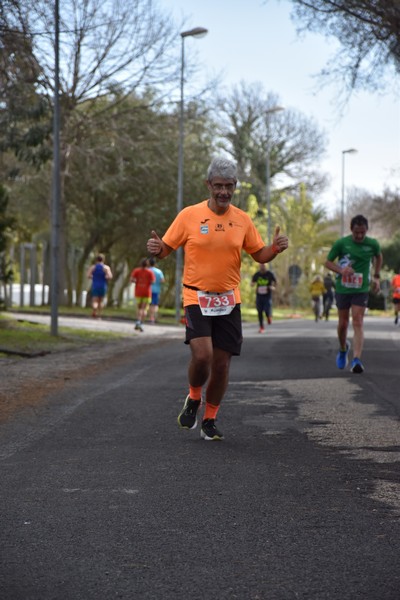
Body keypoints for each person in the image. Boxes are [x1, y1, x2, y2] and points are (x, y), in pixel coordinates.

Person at [146, 156, 289, 440]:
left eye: (229, 186)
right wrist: (156, 247)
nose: (223, 192)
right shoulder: (189, 215)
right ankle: (194, 397)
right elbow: (165, 249)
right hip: (196, 298)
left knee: (222, 365)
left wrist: (273, 249)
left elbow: (258, 253)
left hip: (228, 300)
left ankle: (210, 420)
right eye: (218, 186)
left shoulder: (242, 220)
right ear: (208, 185)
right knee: (203, 356)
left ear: (235, 186)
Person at [325, 214, 382, 374]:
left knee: (358, 321)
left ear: (366, 230)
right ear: (351, 230)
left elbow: (379, 256)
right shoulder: (342, 243)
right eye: (356, 232)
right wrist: (341, 270)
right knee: (343, 323)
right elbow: (328, 262)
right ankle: (343, 349)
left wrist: (376, 277)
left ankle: (357, 359)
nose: (359, 236)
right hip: (343, 289)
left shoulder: (372, 244)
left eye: (362, 233)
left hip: (361, 289)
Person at [130, 258, 155, 332]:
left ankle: (137, 321)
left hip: (138, 292)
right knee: (144, 309)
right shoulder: (150, 272)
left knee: (139, 308)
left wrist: (136, 281)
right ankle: (141, 323)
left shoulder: (136, 271)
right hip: (147, 292)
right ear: (148, 264)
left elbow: (131, 279)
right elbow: (153, 281)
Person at [251, 263, 277, 332]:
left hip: (267, 296)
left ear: (266, 266)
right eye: (261, 265)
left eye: (264, 266)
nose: (262, 267)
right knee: (259, 311)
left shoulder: (270, 274)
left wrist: (272, 287)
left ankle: (268, 317)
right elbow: (252, 283)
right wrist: (252, 284)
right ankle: (261, 327)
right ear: (259, 266)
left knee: (266, 310)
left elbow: (275, 282)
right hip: (259, 296)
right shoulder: (257, 274)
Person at [86, 253, 113, 318]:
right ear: (103, 260)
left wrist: (93, 277)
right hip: (103, 285)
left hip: (95, 285)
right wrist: (105, 276)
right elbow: (110, 276)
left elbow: (88, 275)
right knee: (101, 301)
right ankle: (99, 315)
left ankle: (94, 309)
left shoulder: (93, 267)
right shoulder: (106, 268)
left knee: (95, 300)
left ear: (96, 260)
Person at [148, 257, 165, 324]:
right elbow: (162, 280)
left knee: (149, 304)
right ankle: (154, 317)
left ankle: (151, 318)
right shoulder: (159, 271)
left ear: (149, 263)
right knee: (155, 305)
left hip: (148, 290)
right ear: (155, 264)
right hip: (156, 290)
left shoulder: (147, 270)